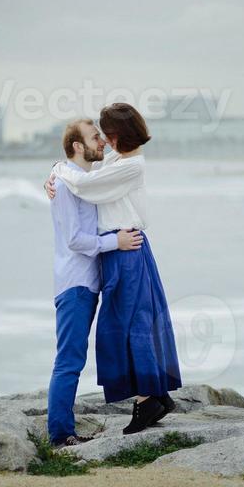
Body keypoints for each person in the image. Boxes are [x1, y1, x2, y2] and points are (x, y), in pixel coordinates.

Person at [47, 104, 182, 434]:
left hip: (125, 248)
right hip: (116, 250)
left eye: (105, 134)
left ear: (118, 134)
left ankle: (147, 399)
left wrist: (58, 170)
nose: (104, 141)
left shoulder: (130, 166)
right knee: (128, 326)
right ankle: (154, 394)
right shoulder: (114, 161)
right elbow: (84, 178)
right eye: (99, 136)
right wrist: (57, 169)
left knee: (126, 327)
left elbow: (86, 185)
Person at [47, 119, 143, 448]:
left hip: (88, 284)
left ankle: (65, 428)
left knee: (77, 356)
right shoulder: (63, 185)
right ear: (77, 146)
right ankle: (60, 435)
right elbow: (74, 239)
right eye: (94, 137)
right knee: (69, 359)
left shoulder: (83, 180)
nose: (100, 141)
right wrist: (116, 241)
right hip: (74, 284)